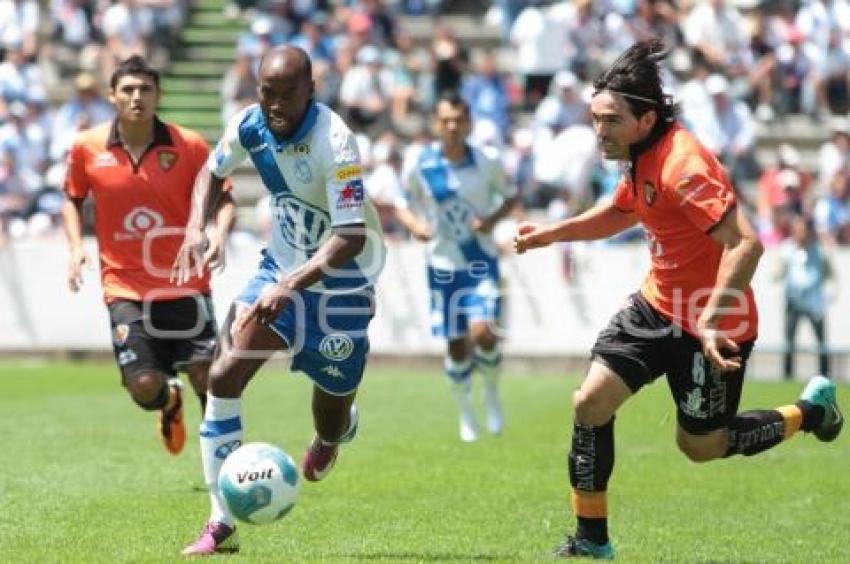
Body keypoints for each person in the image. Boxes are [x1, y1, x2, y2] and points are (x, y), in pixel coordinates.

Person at [513, 40, 843, 559]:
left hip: (716, 325)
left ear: (646, 119)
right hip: (655, 307)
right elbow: (624, 212)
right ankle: (591, 541)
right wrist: (554, 233)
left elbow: (746, 242)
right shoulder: (640, 155)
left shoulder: (682, 167)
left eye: (611, 121)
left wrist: (710, 319)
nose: (600, 131)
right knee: (589, 403)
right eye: (596, 119)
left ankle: (810, 410)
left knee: (701, 447)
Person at [172, 45, 385, 556]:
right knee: (223, 374)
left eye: (288, 94)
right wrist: (195, 226)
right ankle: (221, 524)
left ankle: (333, 436)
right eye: (268, 92)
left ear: (310, 90)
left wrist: (291, 284)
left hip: (345, 283)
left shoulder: (335, 141)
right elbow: (209, 170)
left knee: (331, 408)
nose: (276, 105)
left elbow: (350, 237)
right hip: (279, 267)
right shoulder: (250, 125)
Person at [62, 56, 235, 456]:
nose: (137, 97)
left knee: (208, 375)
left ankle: (223, 460)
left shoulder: (189, 145)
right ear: (112, 96)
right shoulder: (86, 148)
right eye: (128, 89)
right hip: (124, 287)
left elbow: (223, 197)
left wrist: (218, 231)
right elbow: (71, 198)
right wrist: (75, 247)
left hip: (186, 283)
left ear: (159, 95)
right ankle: (167, 403)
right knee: (144, 387)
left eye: (145, 89)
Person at [394, 92, 518, 442]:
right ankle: (466, 412)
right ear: (436, 123)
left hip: (479, 260)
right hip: (442, 264)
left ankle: (492, 395)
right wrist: (415, 225)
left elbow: (510, 196)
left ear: (469, 123)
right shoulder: (421, 164)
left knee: (483, 332)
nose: (452, 126)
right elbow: (402, 202)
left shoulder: (487, 161)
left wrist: (492, 220)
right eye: (445, 120)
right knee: (456, 344)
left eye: (458, 119)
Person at [776, 215, 834, 380]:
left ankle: (824, 376)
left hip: (814, 301)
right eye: (797, 230)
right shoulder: (786, 249)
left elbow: (830, 275)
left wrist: (828, 295)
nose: (800, 233)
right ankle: (787, 375)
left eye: (803, 230)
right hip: (793, 300)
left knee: (821, 341)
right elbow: (777, 272)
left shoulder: (820, 251)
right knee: (789, 340)